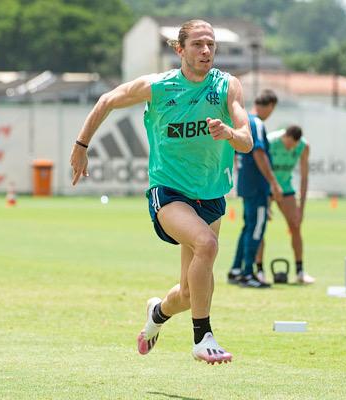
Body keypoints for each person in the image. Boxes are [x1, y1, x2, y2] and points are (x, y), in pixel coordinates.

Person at [69, 19, 252, 365]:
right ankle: (203, 337)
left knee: (187, 293)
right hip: (169, 193)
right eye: (198, 44)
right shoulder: (159, 86)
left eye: (211, 44)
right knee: (207, 245)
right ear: (180, 50)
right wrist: (81, 144)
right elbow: (108, 100)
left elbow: (247, 140)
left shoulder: (228, 87)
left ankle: (157, 314)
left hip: (212, 196)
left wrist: (228, 131)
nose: (206, 51)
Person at [227, 89, 281, 288]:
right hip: (257, 185)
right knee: (257, 228)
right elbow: (258, 152)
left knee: (248, 227)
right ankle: (247, 273)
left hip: (246, 183)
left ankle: (236, 269)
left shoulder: (244, 121)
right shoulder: (256, 123)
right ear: (269, 106)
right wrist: (273, 183)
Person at [266, 125, 315, 284]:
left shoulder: (304, 146)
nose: (290, 148)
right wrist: (265, 201)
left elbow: (304, 178)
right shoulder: (270, 141)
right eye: (289, 144)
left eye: (293, 146)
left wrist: (301, 208)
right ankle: (258, 271)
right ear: (284, 136)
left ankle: (300, 271)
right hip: (266, 188)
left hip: (286, 189)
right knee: (259, 227)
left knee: (295, 225)